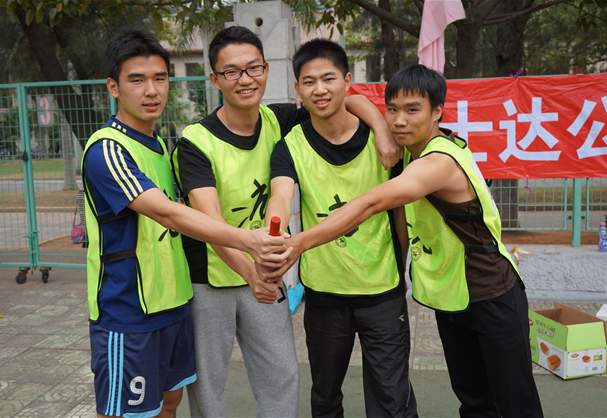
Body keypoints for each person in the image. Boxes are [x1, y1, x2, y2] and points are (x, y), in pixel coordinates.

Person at [264, 64, 544, 418]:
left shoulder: (439, 160)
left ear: (437, 111)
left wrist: (299, 243)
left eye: (412, 110)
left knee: (516, 402)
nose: (399, 120)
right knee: (474, 399)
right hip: (452, 296)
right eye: (392, 110)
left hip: (493, 292)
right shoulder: (408, 149)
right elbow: (351, 102)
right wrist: (381, 128)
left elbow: (370, 203)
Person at [171, 26, 398, 418]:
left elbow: (343, 99)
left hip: (266, 271)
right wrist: (254, 273)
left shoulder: (279, 119)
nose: (245, 79)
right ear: (214, 79)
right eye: (231, 71)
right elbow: (210, 225)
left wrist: (381, 129)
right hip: (210, 277)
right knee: (208, 385)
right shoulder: (195, 141)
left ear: (266, 70)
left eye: (253, 68)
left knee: (282, 376)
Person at [81, 28, 288, 418]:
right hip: (129, 312)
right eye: (137, 80)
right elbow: (168, 213)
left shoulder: (160, 147)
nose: (151, 91)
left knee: (170, 403)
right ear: (113, 87)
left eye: (160, 78)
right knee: (126, 412)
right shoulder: (107, 149)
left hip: (174, 304)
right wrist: (249, 241)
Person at [265, 39, 417, 418]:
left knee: (393, 401)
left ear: (347, 81)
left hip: (382, 291)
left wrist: (401, 270)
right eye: (309, 81)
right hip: (324, 295)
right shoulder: (290, 146)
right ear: (298, 89)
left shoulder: (386, 144)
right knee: (326, 398)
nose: (320, 89)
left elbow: (400, 213)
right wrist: (274, 233)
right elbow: (280, 195)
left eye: (328, 78)